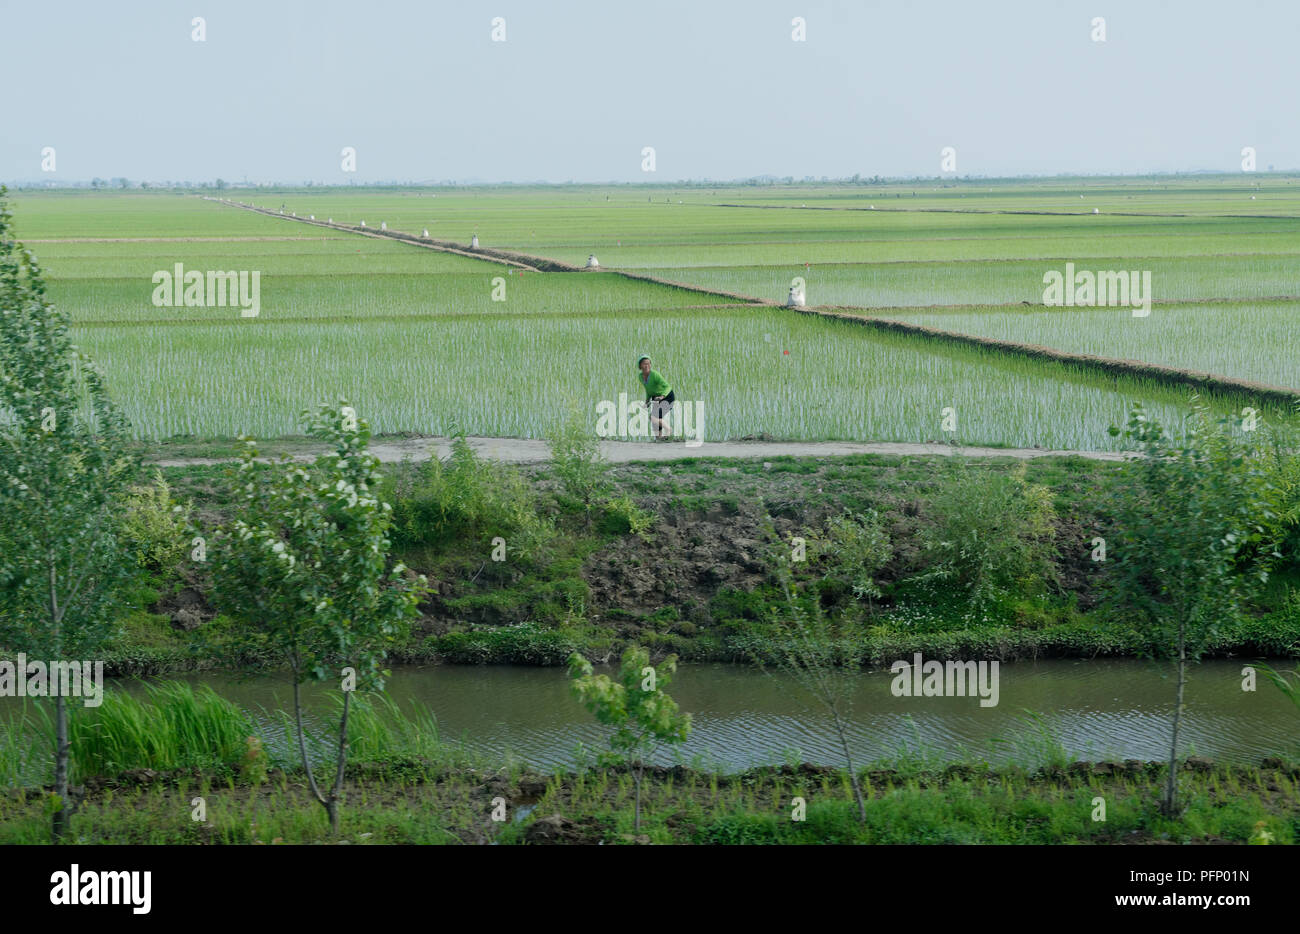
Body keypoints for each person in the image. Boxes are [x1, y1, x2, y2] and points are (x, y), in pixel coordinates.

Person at [637, 354, 674, 439]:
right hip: (656, 398)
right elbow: (649, 390)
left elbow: (667, 386)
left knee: (654, 417)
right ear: (640, 366)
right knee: (654, 420)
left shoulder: (655, 374)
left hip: (667, 396)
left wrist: (662, 396)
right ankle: (659, 438)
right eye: (644, 364)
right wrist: (646, 403)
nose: (647, 366)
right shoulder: (640, 377)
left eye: (648, 364)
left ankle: (669, 430)